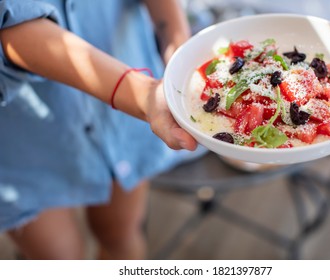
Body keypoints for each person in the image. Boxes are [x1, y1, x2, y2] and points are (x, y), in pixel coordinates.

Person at [0, 0, 200, 260]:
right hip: (27, 138)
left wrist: (179, 53)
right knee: (57, 260)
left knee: (121, 233)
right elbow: (11, 21)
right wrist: (144, 95)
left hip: (122, 113)